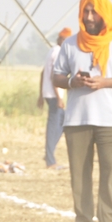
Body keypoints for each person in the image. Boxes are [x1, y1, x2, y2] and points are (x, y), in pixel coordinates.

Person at [52, 0, 112, 222]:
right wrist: (73, 82)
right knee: (80, 173)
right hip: (77, 119)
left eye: (94, 12)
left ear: (105, 14)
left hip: (110, 119)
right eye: (86, 12)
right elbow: (57, 77)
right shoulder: (70, 44)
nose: (89, 17)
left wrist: (105, 82)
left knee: (110, 171)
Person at [39, 27, 72, 169]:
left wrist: (40, 95)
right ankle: (50, 160)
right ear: (62, 40)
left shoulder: (51, 51)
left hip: (48, 93)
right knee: (53, 127)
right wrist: (59, 98)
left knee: (63, 123)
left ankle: (50, 151)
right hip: (54, 95)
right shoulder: (58, 52)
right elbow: (54, 76)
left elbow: (42, 73)